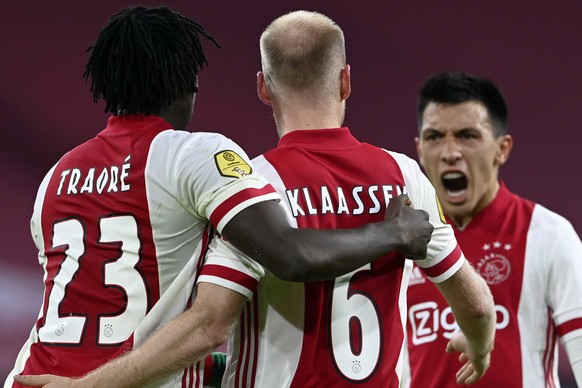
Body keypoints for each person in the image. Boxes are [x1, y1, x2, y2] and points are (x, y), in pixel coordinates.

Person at [4, 6, 437, 388]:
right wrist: (394, 231)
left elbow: (108, 315)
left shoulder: (57, 176)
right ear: (187, 82)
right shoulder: (196, 155)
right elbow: (292, 255)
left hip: (34, 376)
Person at [404, 72, 582, 387]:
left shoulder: (549, 235)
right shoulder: (402, 244)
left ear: (502, 148)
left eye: (467, 135)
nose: (449, 152)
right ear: (419, 150)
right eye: (434, 137)